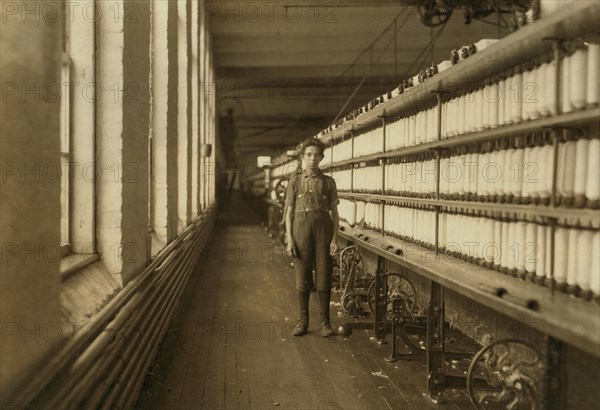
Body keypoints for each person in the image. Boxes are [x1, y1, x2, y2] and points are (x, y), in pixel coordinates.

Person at [284, 138, 339, 337]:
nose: (312, 158)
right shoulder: (294, 181)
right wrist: (290, 239)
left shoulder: (328, 182)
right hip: (301, 234)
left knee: (324, 277)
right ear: (302, 158)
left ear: (322, 157)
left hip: (323, 233)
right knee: (302, 277)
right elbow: (288, 212)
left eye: (316, 155)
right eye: (308, 155)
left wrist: (334, 239)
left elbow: (335, 214)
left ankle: (325, 322)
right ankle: (303, 321)